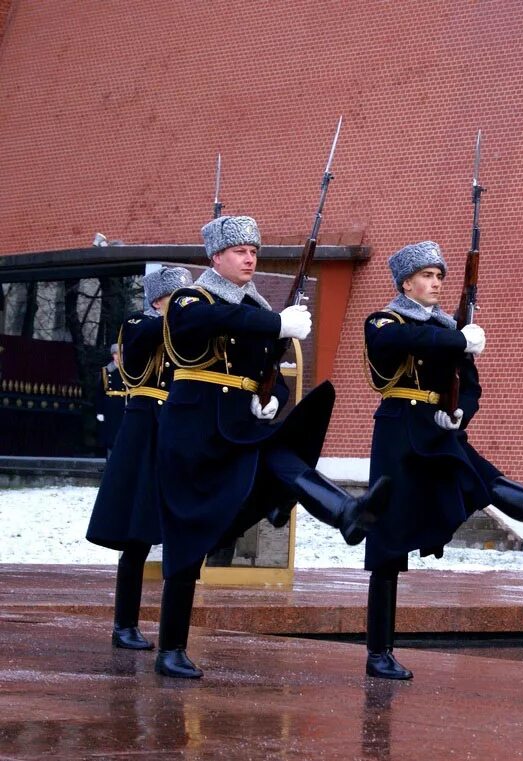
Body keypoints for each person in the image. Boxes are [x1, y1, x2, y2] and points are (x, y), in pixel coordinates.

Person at [155, 215, 390, 679]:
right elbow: (205, 322)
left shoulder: (258, 309)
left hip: (240, 428)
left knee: (281, 454)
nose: (249, 258)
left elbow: (271, 377)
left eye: (254, 251)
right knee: (188, 537)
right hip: (194, 433)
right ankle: (170, 648)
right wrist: (275, 322)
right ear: (215, 257)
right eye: (239, 250)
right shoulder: (191, 297)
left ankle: (345, 510)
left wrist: (271, 400)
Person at [362, 241, 523, 679]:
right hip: (399, 429)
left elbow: (471, 386)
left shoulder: (450, 327)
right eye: (427, 275)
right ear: (406, 282)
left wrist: (461, 410)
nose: (435, 283)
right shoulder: (386, 319)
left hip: (437, 428)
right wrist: (457, 338)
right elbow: (401, 339)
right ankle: (378, 653)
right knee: (386, 542)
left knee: (471, 471)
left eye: (439, 276)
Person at [86, 266, 194, 651]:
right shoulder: (138, 322)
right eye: (175, 297)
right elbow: (145, 337)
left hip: (177, 428)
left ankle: (174, 629)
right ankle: (124, 624)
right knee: (137, 536)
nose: (184, 305)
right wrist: (179, 316)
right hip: (144, 428)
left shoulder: (186, 328)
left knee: (183, 532)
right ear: (157, 300)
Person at [95, 343, 126, 455]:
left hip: (123, 405)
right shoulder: (106, 371)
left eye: (121, 354)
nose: (118, 356)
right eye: (116, 354)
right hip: (109, 406)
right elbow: (99, 393)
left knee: (122, 435)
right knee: (110, 436)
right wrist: (99, 411)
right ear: (113, 355)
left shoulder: (128, 372)